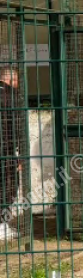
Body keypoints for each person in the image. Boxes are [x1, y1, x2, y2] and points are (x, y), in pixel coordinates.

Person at [0, 66, 25, 241]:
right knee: (8, 186)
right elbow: (16, 127)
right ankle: (1, 225)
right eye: (16, 80)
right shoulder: (10, 97)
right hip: (5, 149)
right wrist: (19, 154)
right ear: (10, 80)